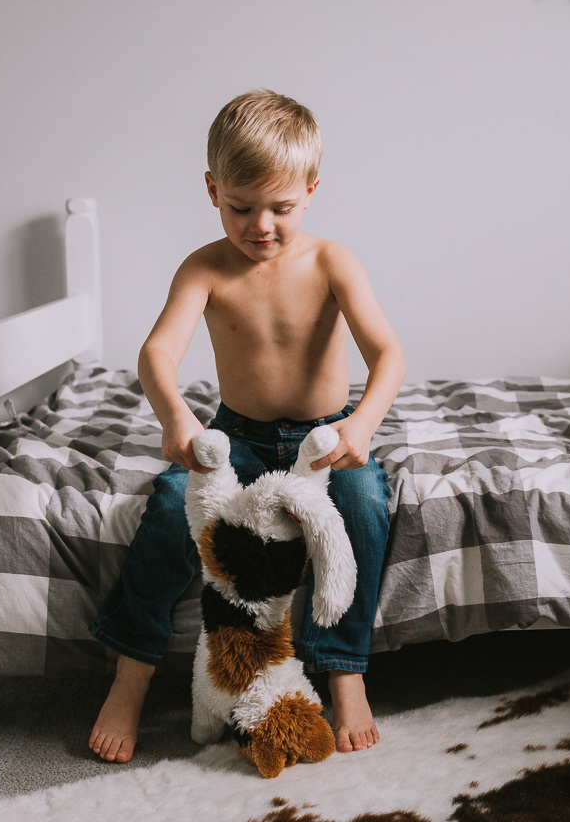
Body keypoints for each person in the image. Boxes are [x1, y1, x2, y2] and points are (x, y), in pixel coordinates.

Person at [87, 90, 405, 764]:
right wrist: (176, 414)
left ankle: (344, 670)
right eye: (241, 207)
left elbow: (389, 355)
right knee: (174, 503)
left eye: (280, 209)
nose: (261, 226)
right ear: (212, 190)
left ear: (311, 191)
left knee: (365, 505)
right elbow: (157, 353)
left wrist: (364, 424)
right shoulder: (206, 267)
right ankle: (132, 673)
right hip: (240, 437)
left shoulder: (331, 263)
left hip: (325, 439)